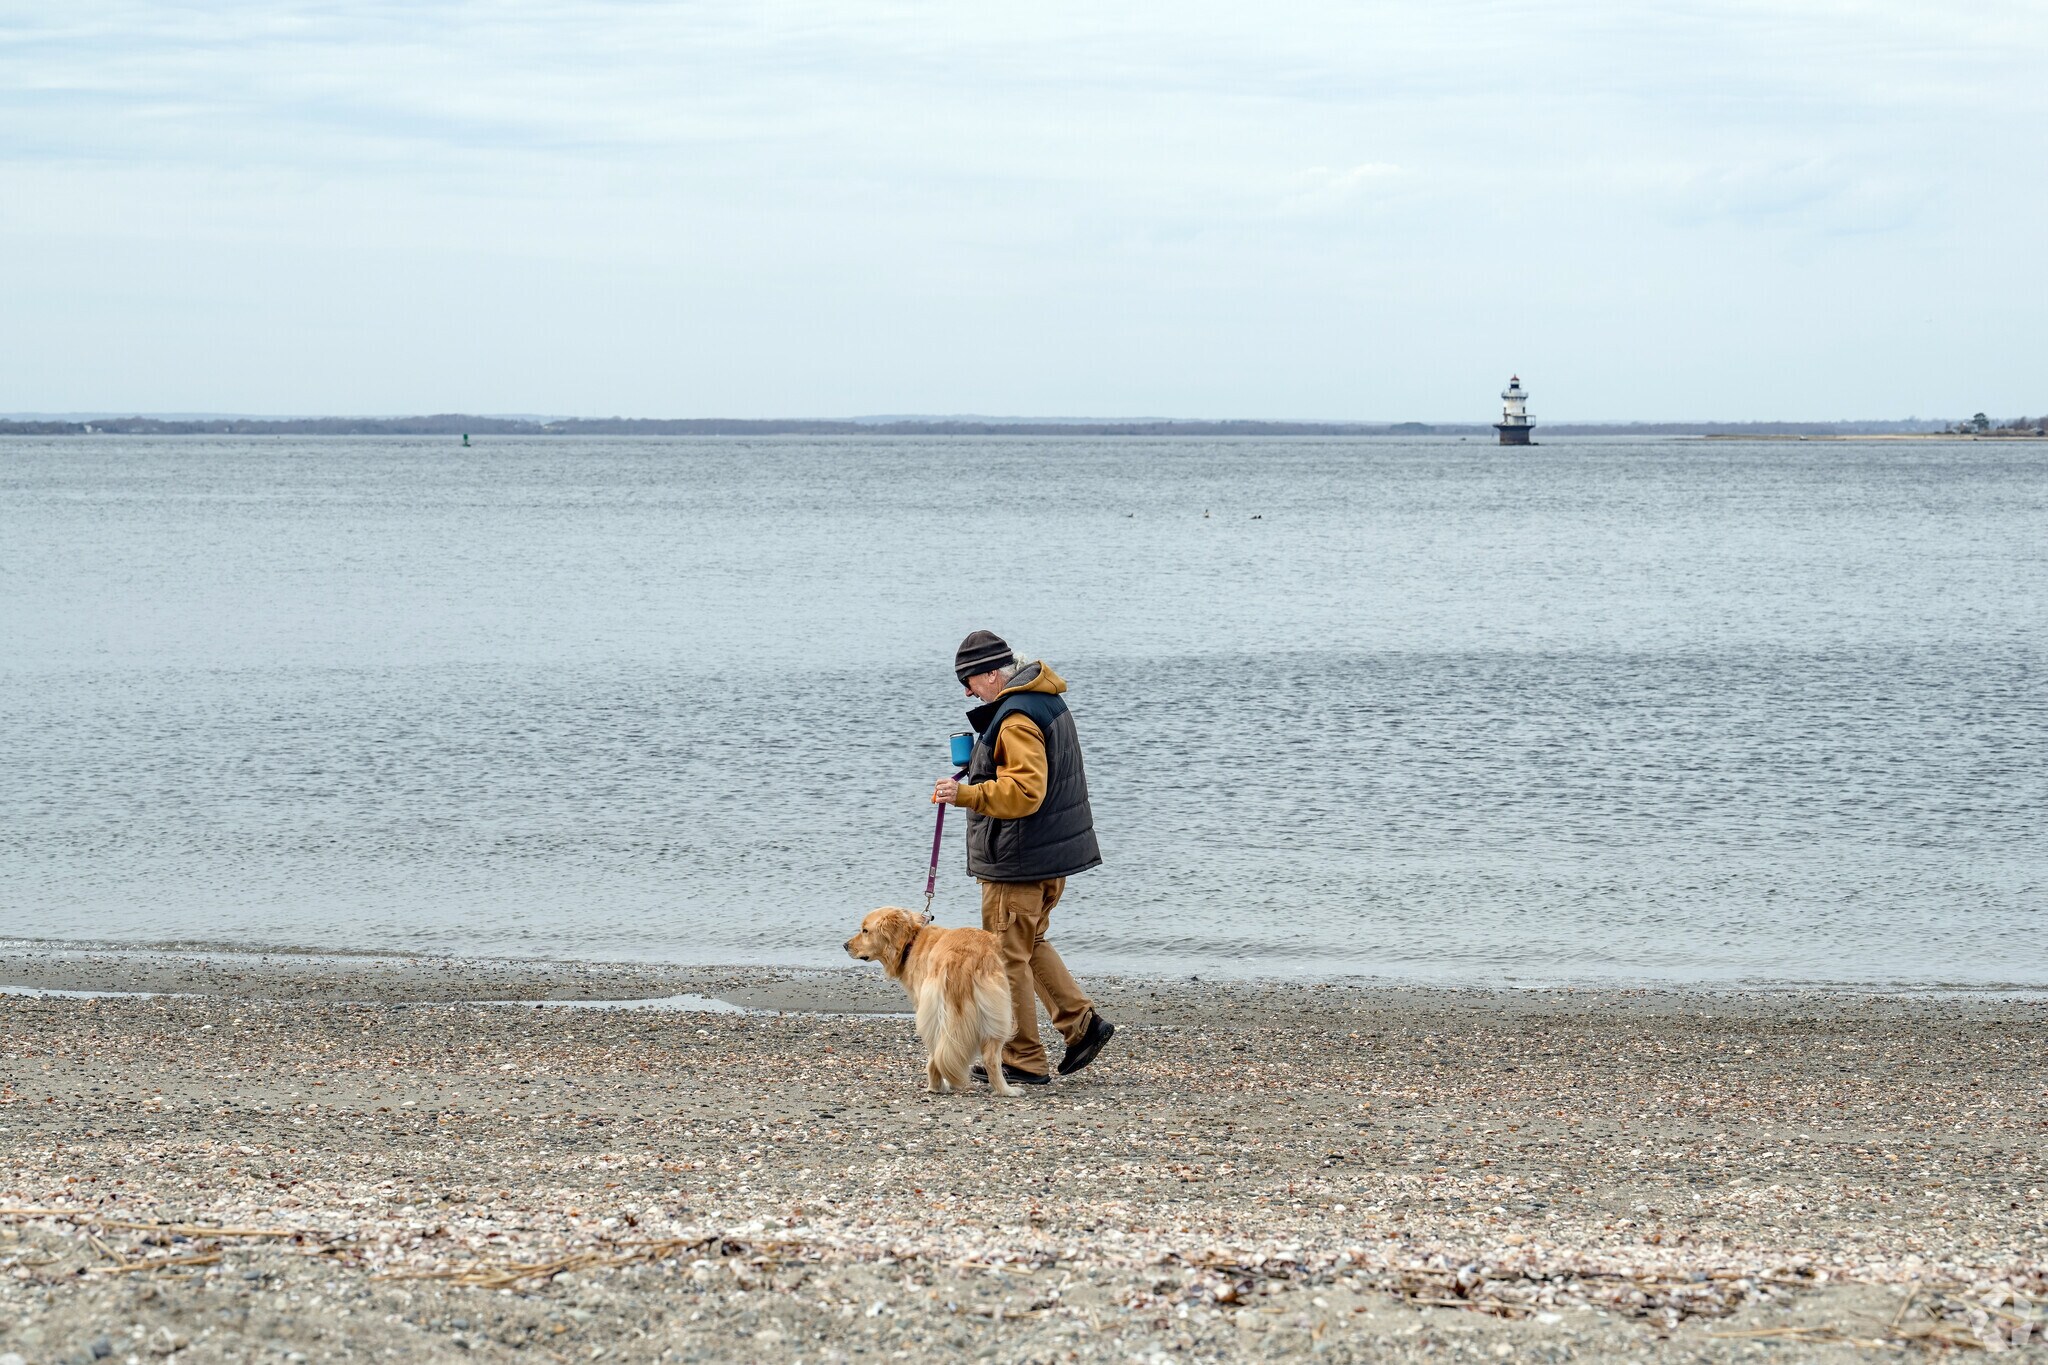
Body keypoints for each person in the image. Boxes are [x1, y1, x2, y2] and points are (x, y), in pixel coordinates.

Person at [932, 630, 1115, 1086]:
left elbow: (1026, 792)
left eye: (971, 681)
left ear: (993, 674)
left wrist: (966, 793)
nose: (968, 691)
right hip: (1048, 856)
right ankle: (1081, 1025)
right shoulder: (1043, 701)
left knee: (1004, 956)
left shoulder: (1015, 718)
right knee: (1028, 944)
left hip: (1019, 861)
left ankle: (1024, 1059)